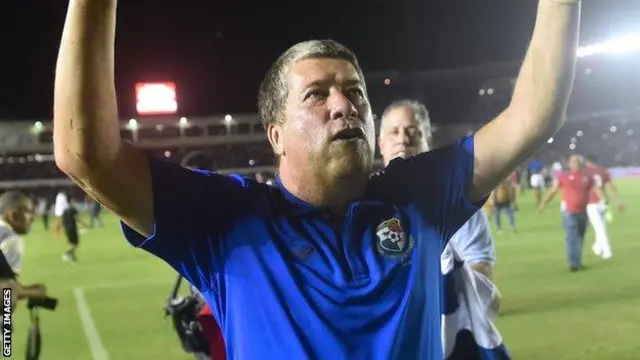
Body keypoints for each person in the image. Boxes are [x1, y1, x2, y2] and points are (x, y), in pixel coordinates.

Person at [53, 0, 581, 358]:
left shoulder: (419, 196)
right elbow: (86, 154)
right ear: (276, 135)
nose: (344, 106)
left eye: (355, 93)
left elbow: (534, 116)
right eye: (317, 95)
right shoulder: (226, 221)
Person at [377, 99, 504, 357]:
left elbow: (481, 275)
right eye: (394, 132)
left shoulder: (457, 199)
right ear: (380, 144)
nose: (403, 139)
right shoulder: (361, 203)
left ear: (427, 140)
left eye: (413, 132)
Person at [539, 155, 602, 272]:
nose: (574, 164)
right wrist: (544, 203)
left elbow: (595, 189)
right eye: (572, 162)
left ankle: (577, 261)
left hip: (583, 212)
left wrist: (603, 200)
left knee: (580, 238)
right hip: (569, 213)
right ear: (569, 164)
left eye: (577, 162)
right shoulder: (564, 177)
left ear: (581, 163)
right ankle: (573, 264)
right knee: (572, 237)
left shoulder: (587, 177)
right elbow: (553, 190)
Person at [0, 191, 48, 307]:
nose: (33, 217)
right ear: (13, 215)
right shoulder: (11, 240)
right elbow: (5, 293)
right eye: (28, 212)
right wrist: (34, 292)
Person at [582, 154, 625, 260]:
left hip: (591, 203)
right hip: (603, 201)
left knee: (599, 228)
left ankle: (607, 251)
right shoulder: (602, 171)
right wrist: (618, 200)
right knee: (601, 226)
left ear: (587, 162)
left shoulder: (584, 172)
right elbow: (611, 185)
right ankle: (597, 247)